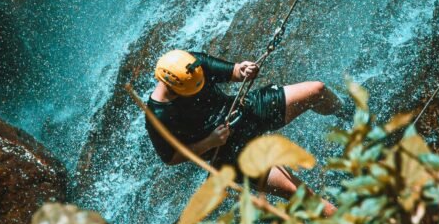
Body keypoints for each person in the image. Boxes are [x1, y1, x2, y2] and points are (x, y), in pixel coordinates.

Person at [145, 48, 343, 205]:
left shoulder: (191, 64)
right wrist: (208, 142)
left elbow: (235, 72)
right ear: (173, 88)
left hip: (244, 112)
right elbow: (171, 158)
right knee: (299, 192)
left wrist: (244, 70)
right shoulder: (158, 115)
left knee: (317, 90)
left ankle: (349, 114)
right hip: (229, 152)